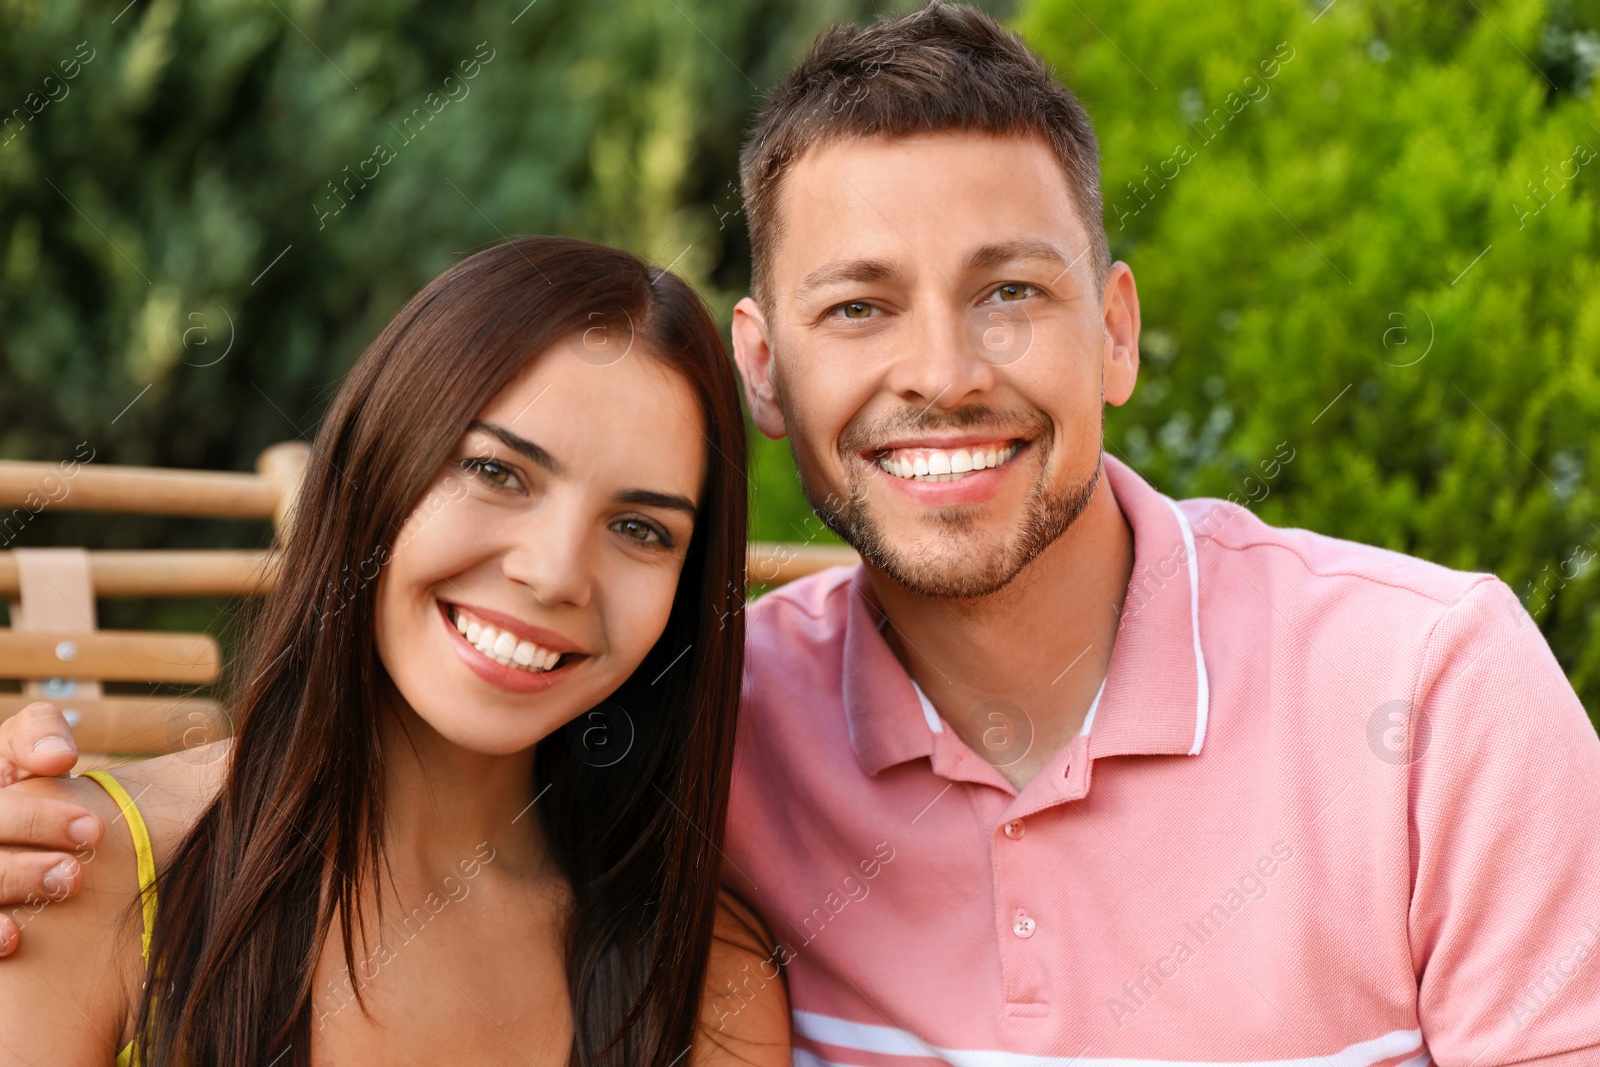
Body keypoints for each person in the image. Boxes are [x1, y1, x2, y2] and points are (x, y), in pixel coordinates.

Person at [5, 3, 1600, 1064]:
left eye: (1012, 292)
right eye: (862, 305)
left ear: (1115, 330)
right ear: (770, 371)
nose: (942, 372)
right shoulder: (724, 730)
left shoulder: (1434, 689)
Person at [0, 237, 789, 1064]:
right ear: (374, 465)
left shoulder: (705, 985)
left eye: (639, 529)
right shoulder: (73, 873)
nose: (556, 573)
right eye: (496, 470)